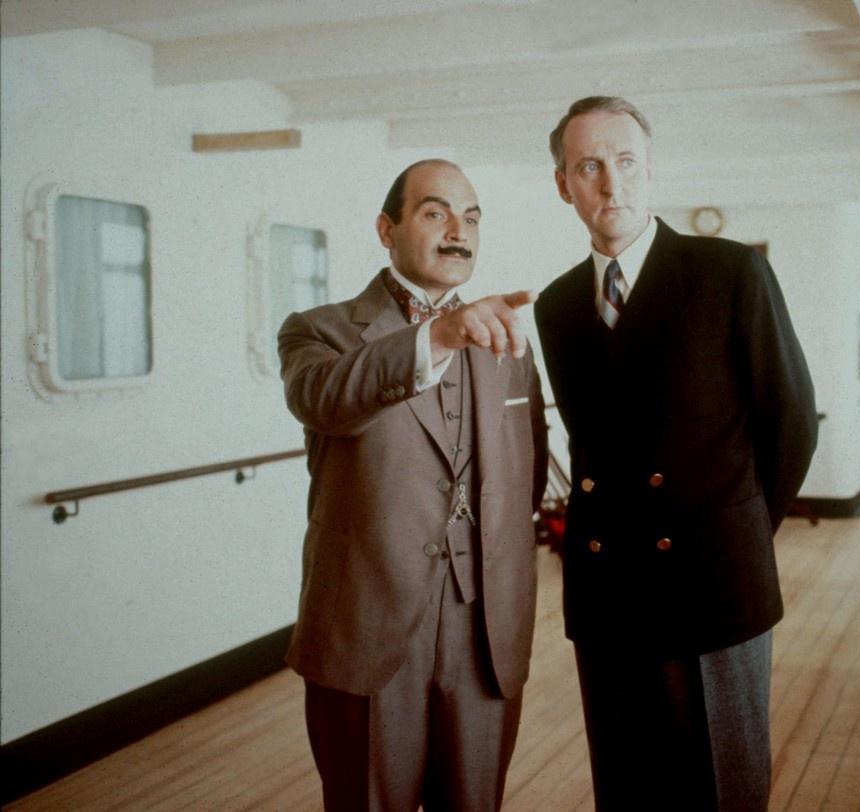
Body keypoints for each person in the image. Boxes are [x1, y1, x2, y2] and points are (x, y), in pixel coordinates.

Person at [534, 97, 817, 811]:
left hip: (712, 582)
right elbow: (590, 441)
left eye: (626, 162)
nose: (611, 184)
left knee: (721, 791)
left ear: (651, 170)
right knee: (627, 789)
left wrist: (734, 529)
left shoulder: (729, 273)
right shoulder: (557, 305)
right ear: (563, 184)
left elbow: (790, 422)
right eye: (589, 167)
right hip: (607, 589)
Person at [278, 159, 547, 811]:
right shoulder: (319, 330)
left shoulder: (508, 340)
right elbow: (325, 399)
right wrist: (438, 336)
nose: (459, 232)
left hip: (485, 631)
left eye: (472, 218)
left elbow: (529, 472)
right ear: (386, 230)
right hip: (366, 627)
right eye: (435, 213)